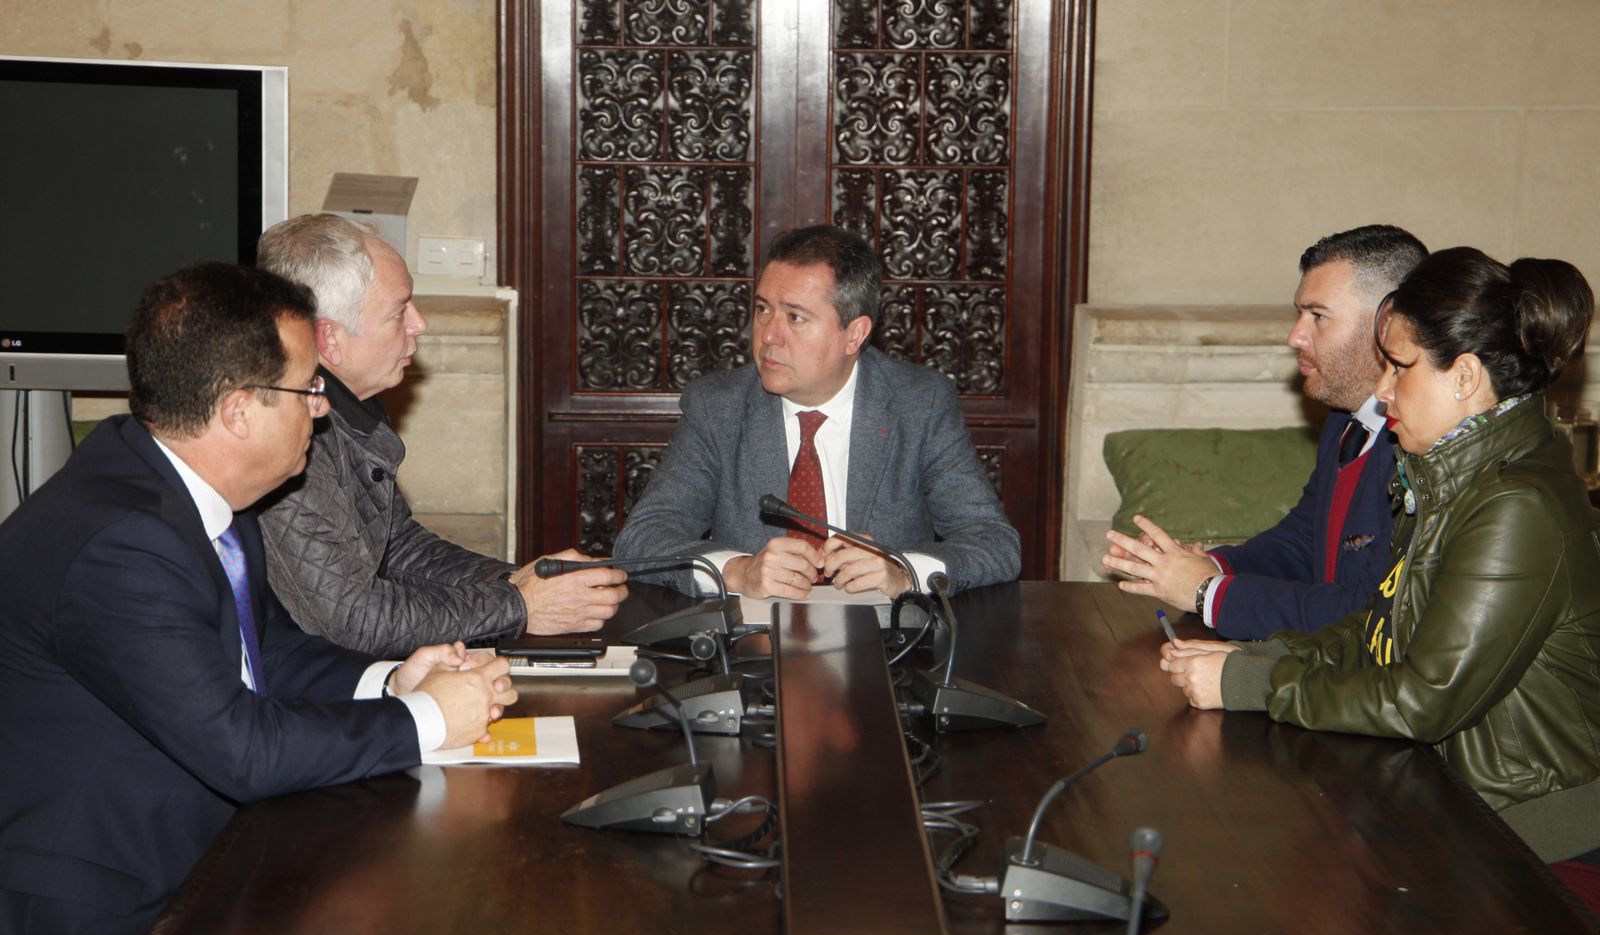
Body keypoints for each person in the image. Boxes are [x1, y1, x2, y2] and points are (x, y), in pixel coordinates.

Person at [0, 263, 519, 935]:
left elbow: (264, 646)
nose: (322, 409)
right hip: (97, 913)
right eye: (309, 387)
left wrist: (387, 680)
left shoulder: (194, 492)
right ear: (239, 411)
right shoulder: (123, 543)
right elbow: (240, 748)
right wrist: (427, 719)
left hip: (195, 862)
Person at [1161, 247, 1600, 900]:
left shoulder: (1516, 506)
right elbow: (1377, 625)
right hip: (1452, 804)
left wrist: (1253, 682)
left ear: (1465, 376)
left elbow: (1422, 701)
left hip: (1533, 842)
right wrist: (1259, 655)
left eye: (1399, 367)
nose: (1383, 390)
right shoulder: (1451, 474)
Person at [256, 214, 626, 655]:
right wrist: (521, 605)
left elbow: (398, 547)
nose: (420, 323)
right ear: (330, 339)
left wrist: (519, 582)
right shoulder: (290, 438)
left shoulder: (348, 410)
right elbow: (355, 619)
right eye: (399, 312)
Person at [612, 224, 1020, 598]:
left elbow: (994, 542)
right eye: (763, 310)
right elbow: (643, 538)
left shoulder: (919, 404)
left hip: (884, 643)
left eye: (795, 317)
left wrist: (904, 572)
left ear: (854, 334)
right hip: (755, 641)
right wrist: (737, 572)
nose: (769, 336)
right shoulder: (719, 406)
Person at [1101, 225, 1428, 638]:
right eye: (1299, 314)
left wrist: (1207, 594)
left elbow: (1370, 614)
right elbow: (1304, 541)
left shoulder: (1421, 445)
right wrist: (1207, 568)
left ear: (1388, 324)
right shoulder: (1345, 419)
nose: (1295, 336)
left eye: (1318, 316)